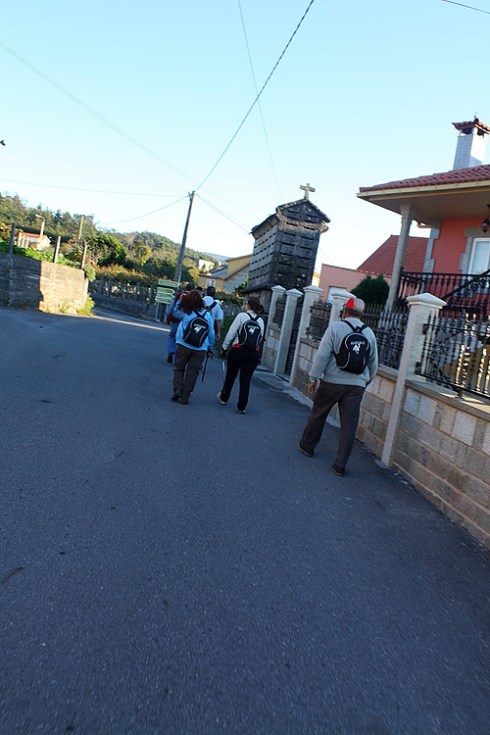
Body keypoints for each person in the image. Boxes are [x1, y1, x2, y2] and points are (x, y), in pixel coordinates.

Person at [299, 296, 378, 476]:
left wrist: (313, 378)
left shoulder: (335, 328)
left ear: (345, 311)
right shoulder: (369, 333)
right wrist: (365, 382)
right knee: (349, 424)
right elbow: (373, 363)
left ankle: (307, 446)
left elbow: (322, 355)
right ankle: (340, 465)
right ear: (362, 314)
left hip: (332, 382)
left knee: (319, 413)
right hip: (356, 385)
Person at [217, 297, 265, 414]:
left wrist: (224, 347)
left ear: (248, 305)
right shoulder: (261, 321)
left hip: (238, 350)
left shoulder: (241, 316)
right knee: (246, 380)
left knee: (231, 376)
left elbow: (231, 332)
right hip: (253, 354)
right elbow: (260, 338)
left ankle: (224, 397)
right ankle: (242, 407)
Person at [171, 290, 215, 405]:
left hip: (183, 344)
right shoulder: (207, 315)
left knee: (179, 368)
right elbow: (211, 333)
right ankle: (185, 396)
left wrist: (180, 300)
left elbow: (174, 312)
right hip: (200, 348)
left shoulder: (185, 312)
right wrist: (211, 347)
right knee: (193, 371)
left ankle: (177, 388)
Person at [165, 283, 194, 364]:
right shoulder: (193, 298)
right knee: (181, 340)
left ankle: (171, 351)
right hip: (187, 322)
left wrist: (168, 316)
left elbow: (171, 307)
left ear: (185, 288)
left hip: (176, 320)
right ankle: (177, 359)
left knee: (172, 336)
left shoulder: (179, 296)